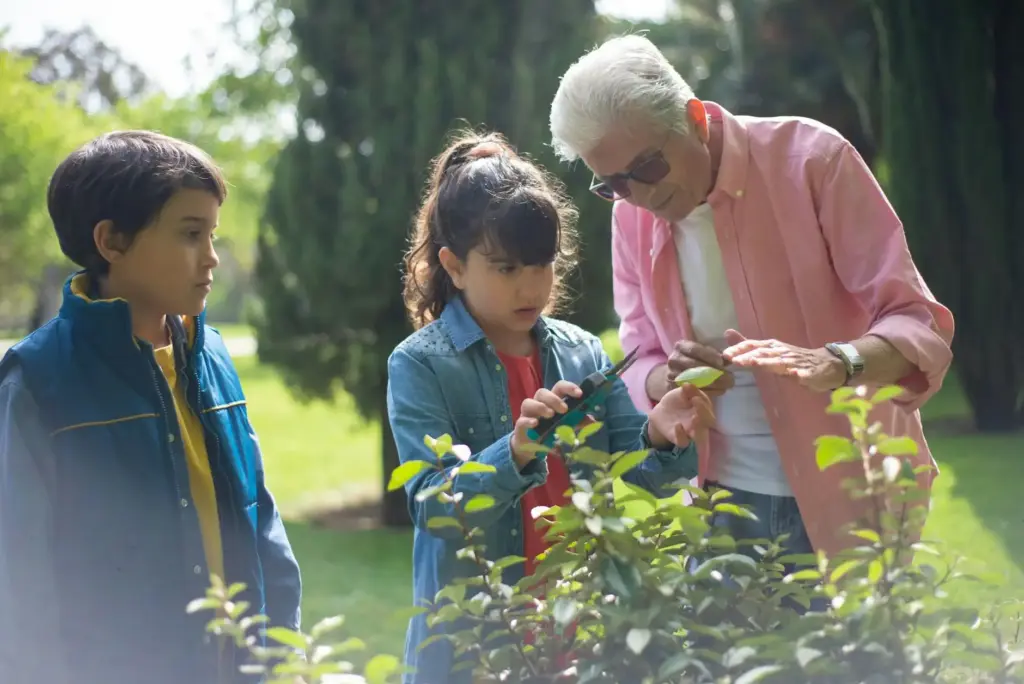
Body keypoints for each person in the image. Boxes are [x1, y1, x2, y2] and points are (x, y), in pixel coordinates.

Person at [548, 35, 954, 562]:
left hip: (856, 491)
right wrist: (666, 376)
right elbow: (639, 352)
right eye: (613, 184)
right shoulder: (630, 217)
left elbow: (917, 321)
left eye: (647, 168)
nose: (640, 196)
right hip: (719, 505)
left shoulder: (813, 161)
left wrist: (838, 361)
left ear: (693, 118)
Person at [387, 130, 715, 683]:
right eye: (507, 268)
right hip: (478, 646)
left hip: (583, 637)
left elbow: (634, 481)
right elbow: (432, 508)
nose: (531, 286)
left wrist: (661, 437)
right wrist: (512, 454)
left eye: (543, 264)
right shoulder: (420, 364)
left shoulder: (582, 351)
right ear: (455, 265)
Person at [0, 131, 302, 684]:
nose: (212, 258)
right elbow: (20, 588)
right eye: (191, 234)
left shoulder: (212, 356)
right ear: (111, 240)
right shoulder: (36, 383)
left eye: (213, 234)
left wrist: (286, 658)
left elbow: (261, 523)